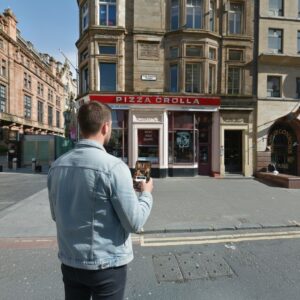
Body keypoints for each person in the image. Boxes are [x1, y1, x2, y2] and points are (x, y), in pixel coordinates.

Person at [47, 101, 153, 300]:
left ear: (80, 126)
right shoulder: (114, 167)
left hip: (71, 263)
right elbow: (135, 222)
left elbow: (56, 215)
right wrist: (146, 193)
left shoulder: (57, 166)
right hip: (106, 266)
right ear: (105, 127)